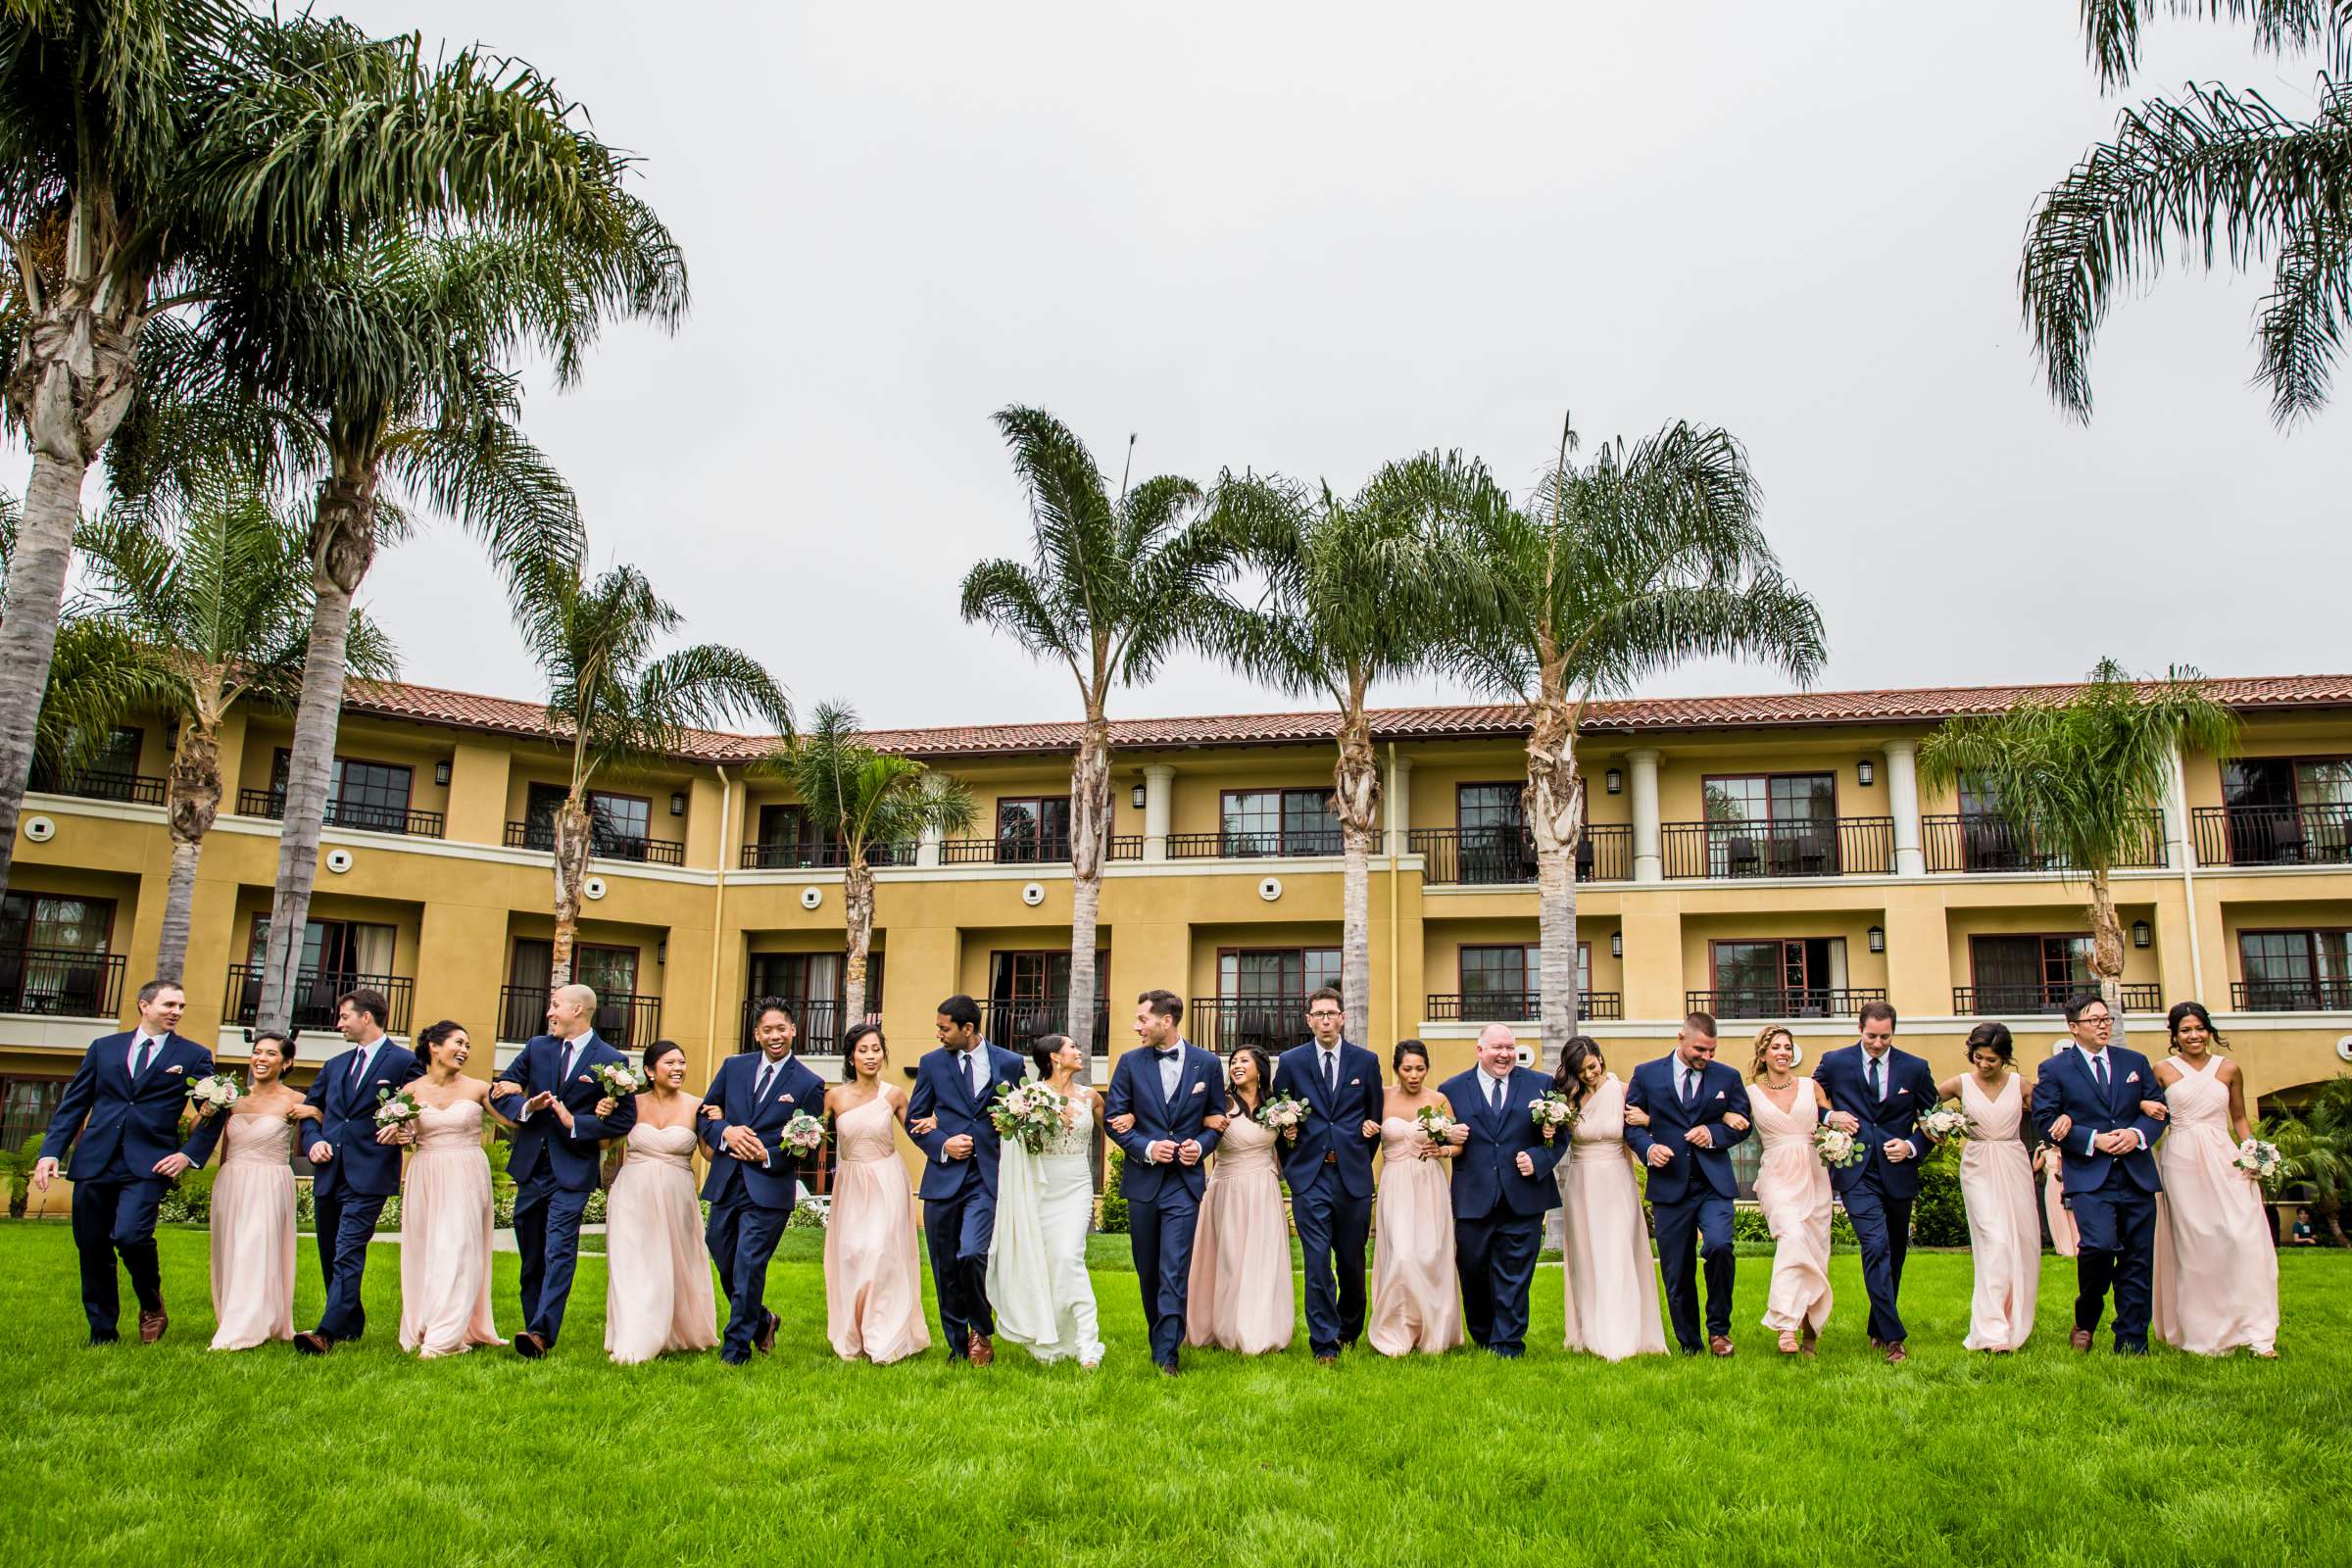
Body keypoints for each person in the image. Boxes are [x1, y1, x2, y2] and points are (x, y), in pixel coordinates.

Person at [34, 980, 224, 1347]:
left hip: (149, 1163)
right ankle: (102, 1332)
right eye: (170, 1004)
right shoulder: (104, 1049)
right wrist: (50, 1152)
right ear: (144, 1005)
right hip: (95, 1160)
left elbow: (215, 1109)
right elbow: (75, 1104)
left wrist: (189, 1154)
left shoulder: (194, 1054)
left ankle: (152, 1304)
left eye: (181, 1006)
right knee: (91, 1246)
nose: (177, 1012)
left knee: (130, 1236)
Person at [487, 984, 638, 1357]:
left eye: (555, 1006)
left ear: (578, 1010)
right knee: (532, 1252)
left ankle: (541, 1332)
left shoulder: (611, 1059)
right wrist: (527, 1106)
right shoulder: (537, 1048)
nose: (549, 1013)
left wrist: (578, 1123)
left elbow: (625, 1118)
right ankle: (532, 1328)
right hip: (531, 1168)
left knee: (559, 1249)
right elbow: (501, 1092)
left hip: (572, 1169)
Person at [2032, 993, 2168, 1354]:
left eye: (2107, 1019)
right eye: (2095, 1020)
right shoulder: (2055, 1069)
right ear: (2074, 1027)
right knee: (2099, 1246)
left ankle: (2131, 1341)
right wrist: (2093, 1139)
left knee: (2138, 1258)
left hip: (2137, 1173)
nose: (2104, 1025)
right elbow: (2045, 1122)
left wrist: (2135, 1134)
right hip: (2090, 1176)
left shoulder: (2134, 1062)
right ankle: (2087, 1316)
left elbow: (2158, 1111)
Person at [293, 988, 423, 1354]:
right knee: (329, 1250)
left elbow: (416, 1106)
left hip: (370, 1172)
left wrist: (404, 1130)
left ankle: (325, 1332)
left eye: (344, 1016)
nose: (339, 1024)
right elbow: (310, 1110)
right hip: (329, 1169)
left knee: (348, 1250)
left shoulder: (403, 1062)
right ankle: (350, 1319)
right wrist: (314, 1139)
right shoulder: (334, 1066)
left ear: (366, 1017)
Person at [1812, 1001, 1941, 1364]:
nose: (1878, 1043)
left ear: (1893, 1033)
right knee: (1875, 1245)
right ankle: (1894, 1338)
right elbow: (1805, 1097)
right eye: (1872, 1036)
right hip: (1855, 1171)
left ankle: (1877, 1323)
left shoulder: (1915, 1069)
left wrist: (1913, 1146)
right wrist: (1830, 1114)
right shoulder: (1834, 1062)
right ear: (1860, 1028)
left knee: (1895, 1252)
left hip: (1898, 1172)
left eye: (1885, 1037)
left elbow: (1933, 1118)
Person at [1103, 990, 1225, 1375]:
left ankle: (1166, 1355)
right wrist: (1148, 1146)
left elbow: (1216, 1119)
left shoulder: (1206, 1064)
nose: (1136, 1025)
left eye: (1142, 1019)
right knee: (1149, 1269)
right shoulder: (1129, 1063)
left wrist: (1201, 1147)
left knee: (1174, 1268)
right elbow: (1114, 1119)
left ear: (1166, 1021)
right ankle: (1159, 1335)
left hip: (1184, 1185)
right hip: (1144, 1181)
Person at [700, 998, 826, 1364]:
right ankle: (762, 1320)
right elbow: (705, 1114)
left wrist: (766, 1154)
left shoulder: (808, 1083)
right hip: (727, 1181)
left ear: (793, 1031)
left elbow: (807, 1142)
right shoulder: (733, 1067)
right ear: (757, 1034)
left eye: (781, 1029)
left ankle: (735, 1348)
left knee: (749, 1264)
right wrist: (727, 1131)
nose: (775, 1036)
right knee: (722, 1254)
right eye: (767, 1030)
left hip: (769, 1189)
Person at [2150, 1002, 2279, 1357]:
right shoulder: (2161, 1069)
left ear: (2208, 1030)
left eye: (2199, 1028)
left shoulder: (2229, 1069)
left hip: (2225, 1157)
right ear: (2174, 1036)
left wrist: (2253, 1152)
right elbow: (2148, 1110)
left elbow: (2238, 1118)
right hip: (2181, 1158)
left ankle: (2255, 1331)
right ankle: (2204, 1332)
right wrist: (2146, 1107)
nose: (2193, 1035)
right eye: (2185, 1030)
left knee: (2242, 1237)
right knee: (2196, 1244)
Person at [906, 994, 1028, 1366]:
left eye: (945, 1028)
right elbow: (915, 1120)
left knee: (972, 1253)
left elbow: (1023, 1114)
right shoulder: (931, 1064)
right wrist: (943, 1143)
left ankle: (981, 1331)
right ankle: (958, 1346)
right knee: (944, 1265)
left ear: (968, 1029)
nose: (938, 1034)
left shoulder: (1009, 1062)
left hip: (988, 1179)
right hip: (943, 1177)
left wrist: (1010, 1123)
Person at [1625, 1011, 1751, 1356]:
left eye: (1712, 1051)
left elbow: (1744, 1125)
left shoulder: (1727, 1077)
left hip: (1714, 1184)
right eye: (1700, 1050)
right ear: (1681, 1038)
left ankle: (1719, 1332)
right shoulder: (1647, 1075)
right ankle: (1690, 1343)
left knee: (1720, 1247)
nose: (1707, 1057)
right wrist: (1649, 1149)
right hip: (1669, 1187)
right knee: (1676, 1269)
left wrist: (1713, 1132)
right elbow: (1630, 1126)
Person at [1438, 1023, 1562, 1358]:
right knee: (1473, 1271)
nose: (1505, 1054)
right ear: (1480, 1050)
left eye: (1510, 1047)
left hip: (1523, 1196)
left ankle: (1508, 1343)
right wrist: (1448, 1138)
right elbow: (1438, 1137)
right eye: (1497, 1048)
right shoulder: (1451, 1090)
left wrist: (1538, 1159)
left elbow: (1558, 1135)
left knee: (1516, 1274)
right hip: (1473, 1197)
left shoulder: (1541, 1085)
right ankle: (1482, 1334)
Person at [1272, 987, 1382, 1364]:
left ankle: (1349, 1330)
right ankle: (1324, 1342)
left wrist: (1355, 1155)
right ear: (1308, 1020)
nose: (1325, 1020)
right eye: (1318, 1014)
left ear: (1343, 1017)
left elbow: (1373, 1119)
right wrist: (1294, 1162)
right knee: (1316, 1259)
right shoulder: (1290, 1062)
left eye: (1331, 1013)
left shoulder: (1366, 1062)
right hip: (1309, 1177)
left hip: (1351, 1175)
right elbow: (1281, 1113)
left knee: (1351, 1260)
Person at [986, 1032, 1106, 1367]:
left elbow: (1116, 1130)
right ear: (1054, 1057)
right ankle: (1050, 1337)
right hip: (1040, 1187)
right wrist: (1015, 1122)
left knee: (1069, 1257)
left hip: (1076, 1184)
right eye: (1072, 1048)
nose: (1079, 1052)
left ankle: (1087, 1344)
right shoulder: (1029, 1097)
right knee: (1048, 1262)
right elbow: (1015, 1143)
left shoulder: (1091, 1097)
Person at [604, 1039, 720, 1364]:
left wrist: (720, 1123)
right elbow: (604, 1141)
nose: (678, 1068)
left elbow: (709, 1154)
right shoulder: (630, 1104)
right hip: (632, 1194)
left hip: (676, 1196)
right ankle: (635, 1334)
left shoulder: (697, 1105)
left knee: (670, 1262)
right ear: (649, 1071)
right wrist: (604, 1111)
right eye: (670, 1063)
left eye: (681, 1062)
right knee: (633, 1264)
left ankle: (675, 1329)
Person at [823, 1024, 931, 1364]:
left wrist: (936, 1125)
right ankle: (852, 1333)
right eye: (863, 1050)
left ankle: (883, 1335)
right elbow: (816, 1138)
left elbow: (917, 1130)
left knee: (880, 1254)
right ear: (851, 1056)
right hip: (851, 1182)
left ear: (884, 1053)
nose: (871, 1056)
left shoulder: (894, 1095)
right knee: (854, 1253)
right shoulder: (834, 1097)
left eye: (876, 1049)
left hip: (886, 1179)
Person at [1554, 1036, 1667, 1361]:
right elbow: (1558, 1139)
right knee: (1587, 1255)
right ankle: (1589, 1330)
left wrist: (1648, 1121)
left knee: (1618, 1251)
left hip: (1617, 1180)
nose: (1590, 1074)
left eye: (1593, 1066)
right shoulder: (1568, 1099)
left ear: (1601, 1059)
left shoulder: (1623, 1091)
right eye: (1582, 1070)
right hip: (1582, 1183)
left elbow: (1651, 1125)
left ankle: (1625, 1332)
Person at [398, 1020, 506, 1358]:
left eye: (468, 1046)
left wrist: (529, 1104)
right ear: (434, 1046)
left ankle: (444, 1337)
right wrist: (401, 1136)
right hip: (426, 1173)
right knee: (428, 1248)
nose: (464, 1051)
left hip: (466, 1172)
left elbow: (512, 1120)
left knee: (458, 1247)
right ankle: (427, 1322)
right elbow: (404, 1134)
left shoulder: (477, 1088)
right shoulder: (410, 1091)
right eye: (458, 1043)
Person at [1184, 1044, 1294, 1355]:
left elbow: (1284, 1150)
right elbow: (1196, 1130)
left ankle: (1260, 1327)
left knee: (1263, 1258)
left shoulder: (1277, 1107)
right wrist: (1205, 1122)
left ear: (1260, 1069)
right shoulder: (1220, 1103)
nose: (1236, 1065)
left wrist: (1292, 1134)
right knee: (1230, 1259)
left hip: (1264, 1188)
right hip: (1227, 1189)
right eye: (1232, 1062)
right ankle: (1227, 1328)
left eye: (1243, 1060)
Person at [196, 1029, 300, 1350]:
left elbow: (321, 1127)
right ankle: (234, 1315)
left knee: (256, 1248)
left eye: (270, 1053)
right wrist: (206, 1112)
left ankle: (244, 1328)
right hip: (232, 1179)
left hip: (270, 1180)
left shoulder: (297, 1100)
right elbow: (196, 1133)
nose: (261, 1059)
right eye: (257, 1052)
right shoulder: (231, 1096)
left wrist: (315, 1112)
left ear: (286, 1062)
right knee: (231, 1248)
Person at [1938, 1022, 2038, 1352]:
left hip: (2013, 1160)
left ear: (2005, 1058)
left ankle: (2014, 1322)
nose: (1983, 1064)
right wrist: (1939, 1126)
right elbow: (1921, 1107)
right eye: (1978, 1057)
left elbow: (2051, 1113)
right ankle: (1991, 1329)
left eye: (1991, 1060)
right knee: (1994, 1241)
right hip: (1979, 1162)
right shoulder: (1959, 1083)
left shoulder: (2021, 1086)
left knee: (2019, 1242)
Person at [1369, 1041, 1462, 1356]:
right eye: (1407, 1068)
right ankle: (1394, 1331)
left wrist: (1445, 1149)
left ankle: (1434, 1331)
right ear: (1396, 1068)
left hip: (1429, 1183)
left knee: (1431, 1254)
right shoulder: (1380, 1097)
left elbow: (1458, 1143)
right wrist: (1366, 1127)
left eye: (1420, 1069)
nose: (1413, 1075)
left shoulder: (1439, 1100)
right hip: (1396, 1183)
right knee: (1402, 1255)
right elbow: (1363, 1129)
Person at [1744, 1025, 1831, 1357]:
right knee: (1792, 1237)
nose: (1783, 1052)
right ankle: (1785, 1325)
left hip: (1814, 1172)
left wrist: (1836, 1134)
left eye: (1787, 1047)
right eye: (1776, 1047)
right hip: (1777, 1175)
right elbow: (1728, 1119)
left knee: (1816, 1255)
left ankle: (1810, 1335)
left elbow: (1829, 1119)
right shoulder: (1750, 1093)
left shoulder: (1811, 1087)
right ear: (1763, 1053)